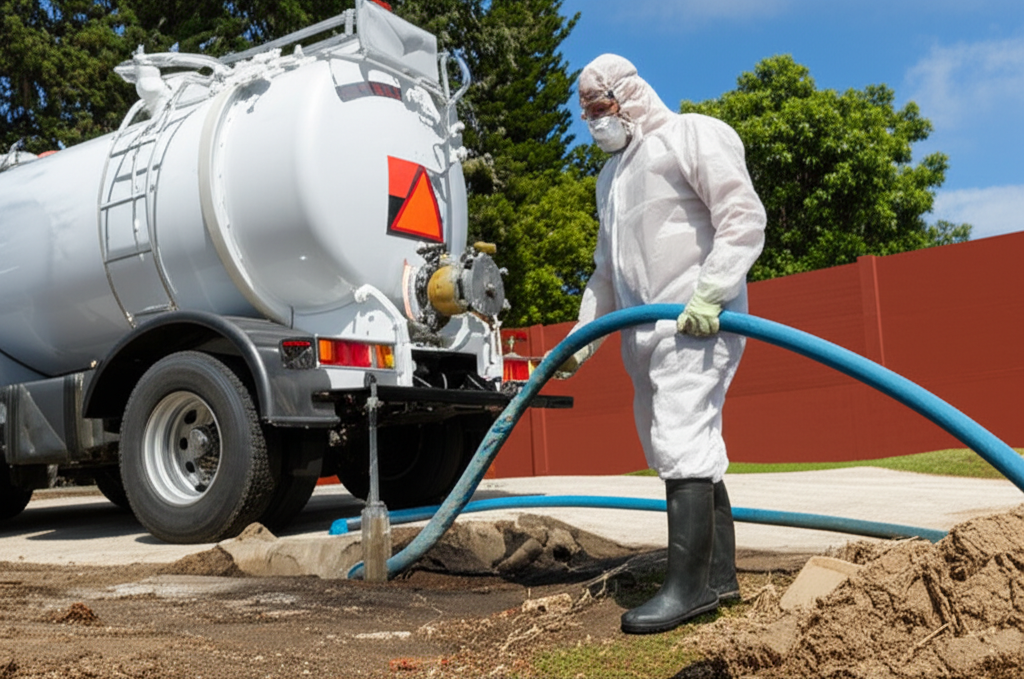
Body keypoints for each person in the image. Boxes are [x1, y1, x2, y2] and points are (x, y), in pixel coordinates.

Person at [557, 54, 766, 634]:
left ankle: (687, 590)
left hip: (698, 319)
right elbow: (605, 272)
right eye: (588, 113)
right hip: (642, 331)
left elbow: (742, 216)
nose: (595, 121)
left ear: (628, 96)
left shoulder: (690, 135)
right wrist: (582, 338)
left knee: (681, 433)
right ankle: (719, 579)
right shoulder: (612, 178)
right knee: (678, 442)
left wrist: (712, 292)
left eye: (601, 108)